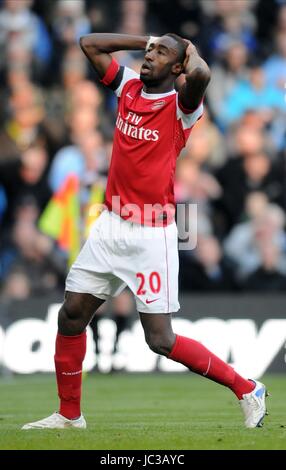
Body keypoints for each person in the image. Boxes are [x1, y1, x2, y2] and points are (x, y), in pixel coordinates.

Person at [22, 32, 267, 430]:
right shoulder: (129, 87)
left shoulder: (181, 106)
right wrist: (147, 37)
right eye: (149, 51)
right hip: (109, 225)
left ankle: (246, 388)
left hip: (150, 234)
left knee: (160, 340)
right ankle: (69, 416)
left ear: (177, 67)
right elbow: (89, 44)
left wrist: (187, 50)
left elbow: (201, 73)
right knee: (70, 316)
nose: (149, 55)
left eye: (160, 53)